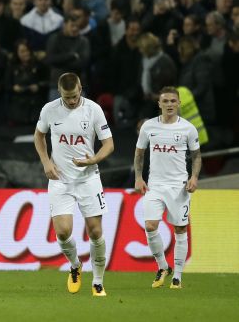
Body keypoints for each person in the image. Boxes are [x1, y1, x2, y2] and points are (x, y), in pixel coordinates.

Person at [33, 73, 114, 297]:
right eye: (67, 97)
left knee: (96, 232)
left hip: (88, 178)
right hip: (60, 179)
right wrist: (46, 162)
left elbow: (109, 143)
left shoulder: (93, 110)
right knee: (62, 231)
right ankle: (75, 265)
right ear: (60, 92)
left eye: (75, 95)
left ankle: (98, 281)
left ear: (81, 89)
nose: (71, 100)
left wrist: (94, 159)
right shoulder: (49, 109)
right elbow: (38, 137)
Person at [133, 86, 201, 290]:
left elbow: (197, 156)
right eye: (166, 101)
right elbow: (139, 154)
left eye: (173, 101)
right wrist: (138, 177)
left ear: (179, 103)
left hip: (179, 187)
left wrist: (194, 177)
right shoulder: (149, 127)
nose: (170, 104)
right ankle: (163, 267)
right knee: (150, 226)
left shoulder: (188, 128)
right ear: (159, 104)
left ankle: (177, 276)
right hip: (155, 185)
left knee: (180, 229)